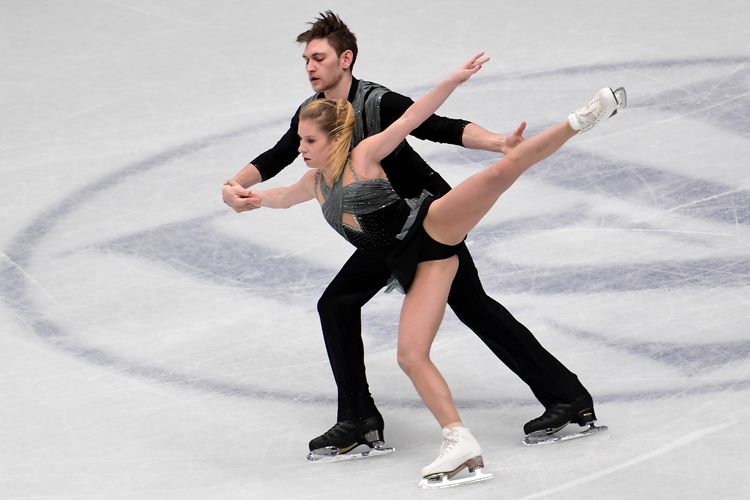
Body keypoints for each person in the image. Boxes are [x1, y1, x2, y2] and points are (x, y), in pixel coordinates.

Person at [223, 11, 600, 456]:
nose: (309, 67)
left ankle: (566, 396)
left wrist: (499, 143)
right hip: (378, 231)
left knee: (472, 306)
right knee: (337, 303)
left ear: (345, 59)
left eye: (318, 57)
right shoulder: (317, 116)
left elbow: (437, 125)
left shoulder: (376, 103)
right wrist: (237, 185)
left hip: (427, 222)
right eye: (306, 58)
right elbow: (282, 152)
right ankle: (358, 418)